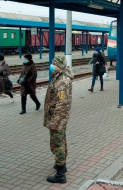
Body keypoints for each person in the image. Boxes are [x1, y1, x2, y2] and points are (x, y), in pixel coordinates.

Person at [44, 56, 74, 184]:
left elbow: (62, 103)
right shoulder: (58, 76)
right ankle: (62, 165)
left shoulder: (62, 81)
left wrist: (55, 121)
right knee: (61, 140)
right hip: (58, 117)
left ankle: (60, 174)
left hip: (58, 118)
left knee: (57, 143)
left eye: (54, 64)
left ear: (59, 66)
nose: (51, 65)